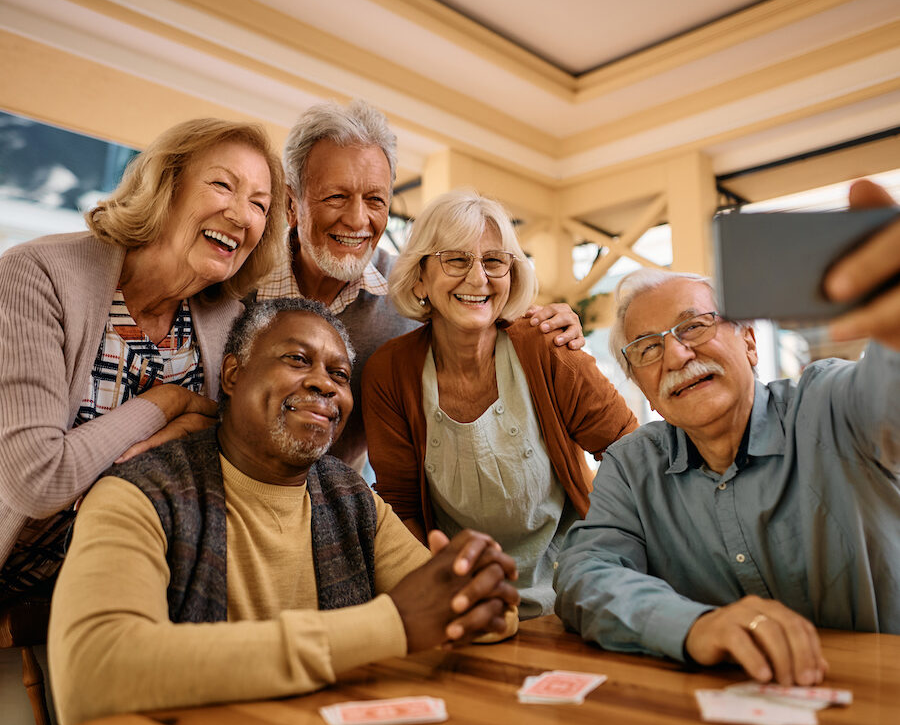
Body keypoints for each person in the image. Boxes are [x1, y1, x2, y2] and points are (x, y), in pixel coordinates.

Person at [48, 298, 519, 725]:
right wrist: (390, 626)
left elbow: (462, 613)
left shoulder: (350, 497)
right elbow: (95, 673)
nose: (323, 383)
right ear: (233, 375)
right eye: (297, 359)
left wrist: (481, 588)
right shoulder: (139, 495)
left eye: (339, 375)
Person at [554, 179, 900, 687]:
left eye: (694, 326)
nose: (675, 355)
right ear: (645, 391)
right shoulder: (632, 465)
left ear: (751, 344)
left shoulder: (831, 405)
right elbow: (584, 574)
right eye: (648, 349)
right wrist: (694, 625)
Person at [0, 118, 285, 598]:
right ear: (165, 187)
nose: (242, 215)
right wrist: (169, 404)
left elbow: (236, 448)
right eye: (222, 185)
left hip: (142, 580)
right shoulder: (37, 275)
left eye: (260, 204)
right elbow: (39, 480)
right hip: (21, 577)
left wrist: (207, 424)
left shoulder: (228, 319)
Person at [254, 99, 585, 470]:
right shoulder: (237, 284)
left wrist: (552, 324)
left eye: (375, 199)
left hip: (341, 504)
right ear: (290, 203)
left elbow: (485, 309)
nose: (357, 219)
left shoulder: (415, 287)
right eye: (337, 196)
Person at [362, 190, 638, 619]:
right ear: (419, 278)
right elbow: (401, 507)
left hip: (574, 593)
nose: (478, 279)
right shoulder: (389, 372)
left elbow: (629, 453)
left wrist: (598, 554)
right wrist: (442, 594)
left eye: (494, 261)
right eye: (456, 260)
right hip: (464, 601)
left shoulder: (547, 345)